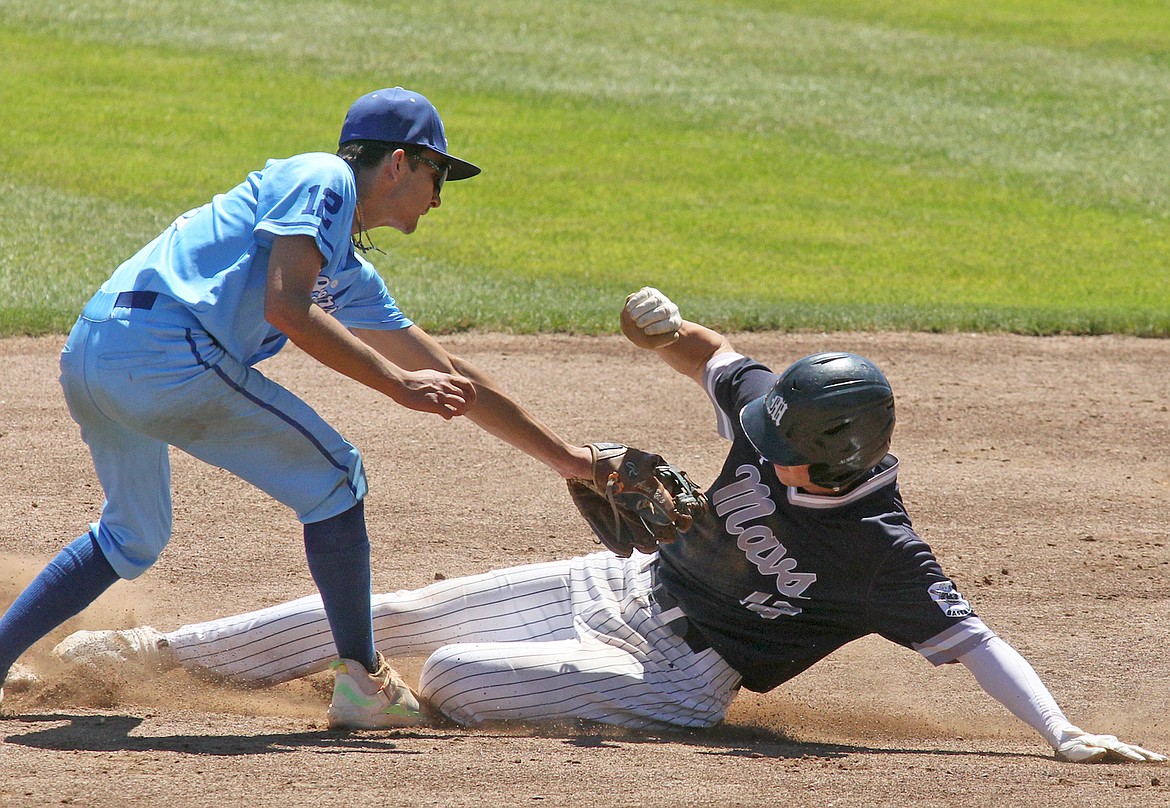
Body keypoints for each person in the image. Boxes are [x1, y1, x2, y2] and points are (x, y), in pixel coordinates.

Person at [38, 288, 1163, 764]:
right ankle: (143, 658)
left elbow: (977, 645)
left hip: (681, 678)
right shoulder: (780, 411)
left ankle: (398, 695)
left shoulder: (885, 553)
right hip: (616, 590)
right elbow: (717, 360)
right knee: (391, 612)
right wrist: (661, 327)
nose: (756, 430)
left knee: (463, 674)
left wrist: (1062, 733)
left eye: (778, 435)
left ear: (837, 457)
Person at [0, 87, 593, 729]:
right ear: (397, 162)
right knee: (336, 479)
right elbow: (287, 308)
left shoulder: (340, 265)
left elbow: (446, 372)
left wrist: (568, 461)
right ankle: (365, 682)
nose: (441, 195)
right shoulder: (324, 176)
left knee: (133, 533)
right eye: (437, 172)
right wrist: (396, 384)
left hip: (94, 352)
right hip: (161, 351)